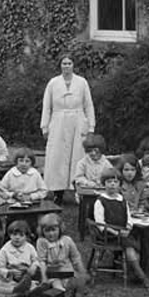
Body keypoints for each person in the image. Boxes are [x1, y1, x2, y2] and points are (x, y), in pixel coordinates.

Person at [41, 54, 95, 204]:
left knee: (77, 155)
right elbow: (47, 106)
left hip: (78, 120)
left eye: (69, 63)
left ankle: (79, 191)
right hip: (58, 122)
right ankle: (57, 192)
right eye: (64, 63)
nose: (66, 66)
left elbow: (88, 105)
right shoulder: (53, 83)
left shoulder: (82, 82)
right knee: (57, 156)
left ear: (73, 65)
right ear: (60, 65)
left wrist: (91, 126)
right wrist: (44, 126)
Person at [93, 167, 149, 288]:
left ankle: (136, 272)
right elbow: (100, 224)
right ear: (103, 184)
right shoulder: (100, 201)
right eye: (109, 182)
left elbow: (128, 218)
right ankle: (143, 277)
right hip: (108, 235)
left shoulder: (122, 200)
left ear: (120, 185)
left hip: (123, 233)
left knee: (138, 244)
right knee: (130, 249)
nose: (112, 185)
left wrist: (128, 228)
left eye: (115, 182)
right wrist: (117, 233)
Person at [36, 213, 88, 297]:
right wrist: (44, 277)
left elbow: (76, 257)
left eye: (54, 230)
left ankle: (73, 288)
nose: (51, 234)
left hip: (66, 269)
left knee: (75, 279)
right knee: (55, 281)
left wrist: (81, 271)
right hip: (50, 270)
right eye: (47, 231)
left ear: (60, 229)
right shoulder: (42, 242)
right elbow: (42, 260)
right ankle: (61, 291)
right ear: (42, 231)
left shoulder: (67, 240)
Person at [0, 221, 38, 294]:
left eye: (21, 235)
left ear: (26, 237)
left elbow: (36, 260)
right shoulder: (4, 250)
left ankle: (26, 290)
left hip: (26, 276)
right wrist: (9, 272)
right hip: (9, 280)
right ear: (10, 235)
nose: (17, 237)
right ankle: (14, 290)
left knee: (34, 284)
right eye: (14, 234)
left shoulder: (30, 247)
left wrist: (31, 268)